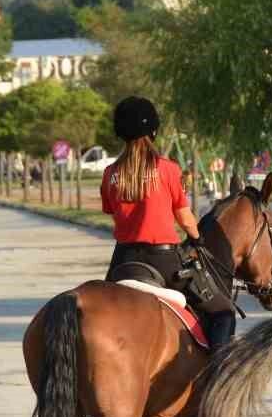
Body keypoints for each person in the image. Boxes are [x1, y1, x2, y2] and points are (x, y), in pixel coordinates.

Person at [100, 96, 236, 348]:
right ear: (153, 130)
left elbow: (111, 211)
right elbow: (184, 217)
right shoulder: (168, 169)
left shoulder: (110, 174)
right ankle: (216, 369)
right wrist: (196, 238)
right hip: (162, 261)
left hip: (123, 261)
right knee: (222, 311)